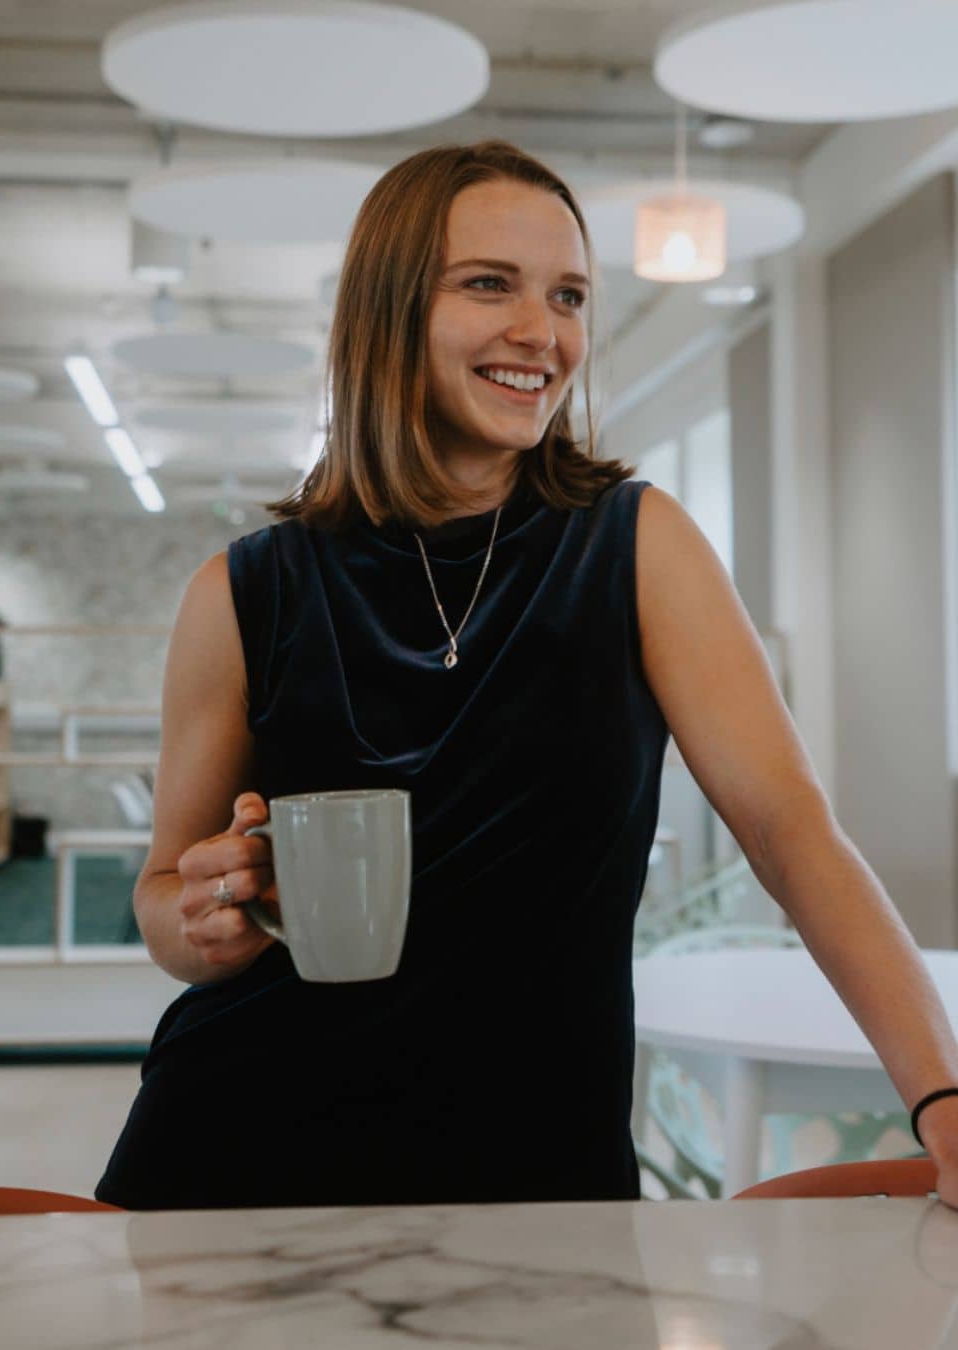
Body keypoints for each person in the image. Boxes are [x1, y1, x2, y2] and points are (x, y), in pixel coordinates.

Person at [97, 140, 958, 1211]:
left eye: (569, 296)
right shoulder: (240, 591)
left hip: (537, 1170)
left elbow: (795, 835)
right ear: (389, 309)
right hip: (239, 1158)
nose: (540, 333)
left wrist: (944, 1094)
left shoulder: (638, 547)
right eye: (488, 285)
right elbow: (162, 895)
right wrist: (205, 917)